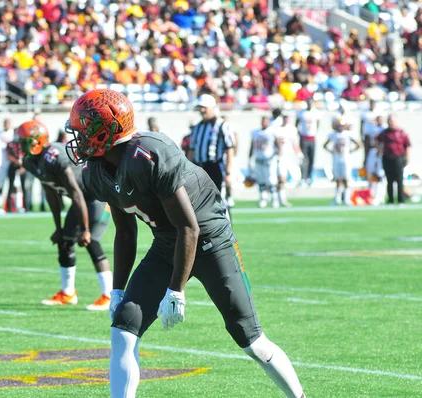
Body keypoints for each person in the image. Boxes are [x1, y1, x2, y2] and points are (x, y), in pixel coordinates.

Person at [65, 89, 305, 398]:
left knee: (250, 339)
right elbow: (125, 232)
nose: (79, 137)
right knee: (124, 328)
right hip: (167, 244)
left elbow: (189, 227)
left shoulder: (149, 154)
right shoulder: (96, 171)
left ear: (106, 130)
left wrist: (176, 290)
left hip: (209, 240)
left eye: (84, 129)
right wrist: (117, 289)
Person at [17, 120, 113, 310]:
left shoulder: (56, 157)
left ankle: (109, 295)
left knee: (91, 240)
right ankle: (68, 293)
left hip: (99, 196)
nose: (20, 146)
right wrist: (58, 228)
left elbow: (76, 193)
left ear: (37, 141)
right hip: (82, 200)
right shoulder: (30, 161)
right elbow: (51, 194)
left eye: (24, 141)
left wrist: (85, 229)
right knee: (65, 240)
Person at [187, 94, 235, 207]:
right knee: (200, 202)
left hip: (215, 167)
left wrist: (228, 172)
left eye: (204, 107)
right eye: (200, 107)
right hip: (199, 167)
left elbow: (229, 149)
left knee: (218, 201)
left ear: (212, 107)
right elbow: (192, 150)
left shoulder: (222, 125)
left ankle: (224, 224)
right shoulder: (197, 127)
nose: (202, 110)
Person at [323, 119, 362, 206]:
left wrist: (350, 151)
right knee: (338, 179)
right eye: (339, 125)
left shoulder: (348, 134)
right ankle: (338, 198)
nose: (340, 127)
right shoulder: (333, 134)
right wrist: (331, 151)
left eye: (342, 125)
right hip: (337, 159)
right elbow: (324, 145)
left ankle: (347, 199)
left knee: (346, 178)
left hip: (346, 159)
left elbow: (359, 144)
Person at [377, 115, 411, 205]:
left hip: (398, 158)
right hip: (387, 158)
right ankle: (390, 200)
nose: (391, 123)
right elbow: (377, 140)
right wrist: (379, 150)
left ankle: (401, 200)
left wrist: (407, 158)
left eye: (393, 121)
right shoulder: (384, 133)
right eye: (390, 121)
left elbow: (407, 146)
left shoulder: (401, 132)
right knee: (389, 179)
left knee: (399, 179)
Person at [249, 115, 279, 208]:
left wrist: (277, 156)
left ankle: (274, 198)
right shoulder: (255, 132)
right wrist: (249, 157)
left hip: (269, 159)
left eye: (266, 121)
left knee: (271, 179)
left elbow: (278, 145)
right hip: (258, 158)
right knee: (261, 179)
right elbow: (252, 145)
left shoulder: (272, 132)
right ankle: (263, 198)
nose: (264, 123)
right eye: (263, 121)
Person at [276, 114, 302, 207]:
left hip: (289, 156)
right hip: (279, 157)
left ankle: (281, 199)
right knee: (280, 178)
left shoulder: (292, 129)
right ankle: (277, 199)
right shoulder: (277, 129)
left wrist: (299, 153)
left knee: (284, 179)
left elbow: (294, 142)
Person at [295, 99, 320, 186]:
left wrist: (315, 132)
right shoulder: (302, 113)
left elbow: (318, 124)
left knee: (311, 158)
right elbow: (296, 123)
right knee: (303, 158)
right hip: (304, 137)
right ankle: (303, 177)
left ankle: (309, 177)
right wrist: (299, 132)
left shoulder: (315, 113)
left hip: (312, 137)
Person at [364, 115, 385, 205]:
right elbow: (368, 142)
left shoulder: (385, 129)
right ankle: (370, 194)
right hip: (373, 151)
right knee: (371, 174)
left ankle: (379, 196)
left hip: (381, 152)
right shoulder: (372, 129)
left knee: (380, 174)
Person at [0, 118, 15, 210]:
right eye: (5, 123)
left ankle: (16, 205)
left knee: (15, 184)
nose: (6, 125)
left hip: (12, 162)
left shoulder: (13, 133)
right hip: (2, 161)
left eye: (8, 123)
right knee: (1, 184)